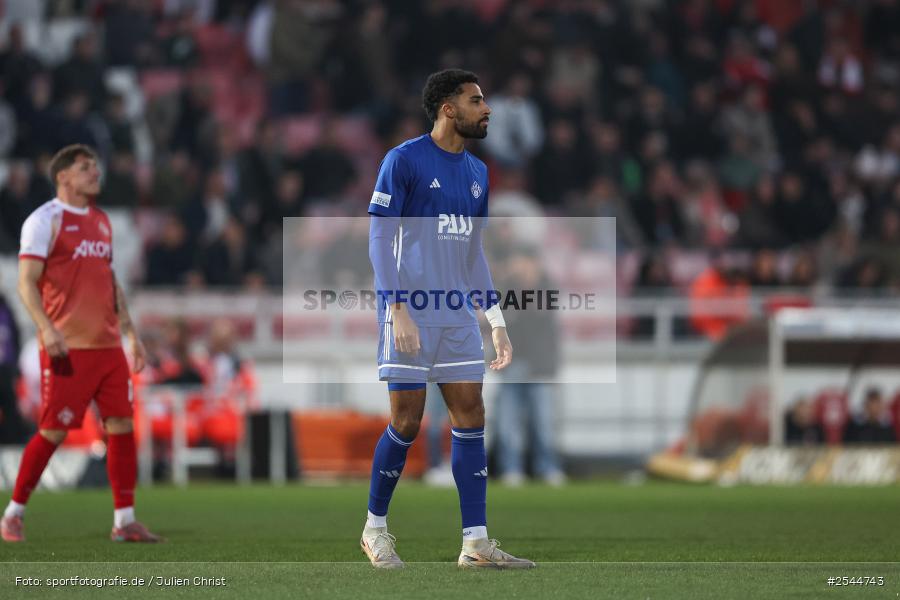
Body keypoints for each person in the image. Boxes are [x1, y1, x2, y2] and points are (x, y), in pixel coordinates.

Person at [362, 69, 533, 569]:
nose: (487, 109)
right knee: (407, 422)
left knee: (471, 417)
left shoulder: (479, 174)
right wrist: (395, 308)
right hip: (409, 312)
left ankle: (476, 544)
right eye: (476, 100)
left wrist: (495, 319)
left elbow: (474, 252)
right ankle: (374, 530)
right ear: (447, 108)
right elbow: (378, 238)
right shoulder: (404, 160)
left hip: (456, 316)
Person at [1, 144, 161, 543]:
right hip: (67, 347)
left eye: (95, 166)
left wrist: (130, 333)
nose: (95, 173)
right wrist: (46, 328)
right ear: (64, 177)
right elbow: (26, 282)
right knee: (54, 430)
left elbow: (109, 282)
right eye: (85, 168)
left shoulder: (102, 222)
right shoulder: (43, 221)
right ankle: (13, 513)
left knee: (122, 426)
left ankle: (124, 521)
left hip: (108, 347)